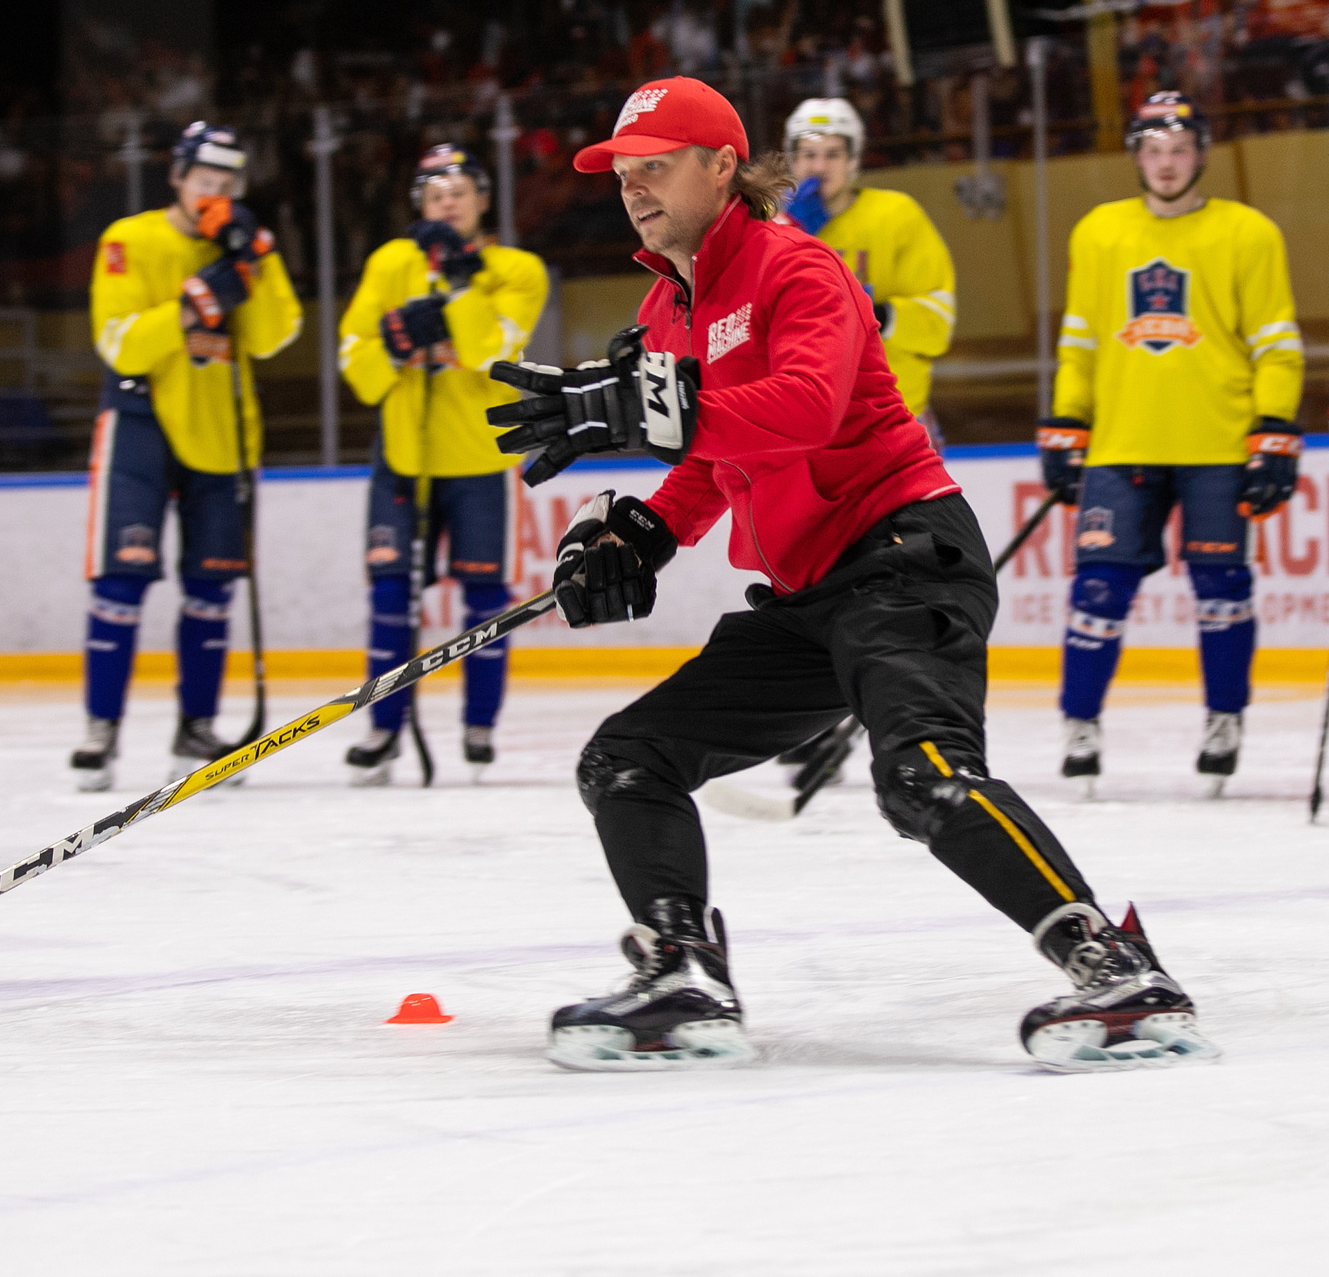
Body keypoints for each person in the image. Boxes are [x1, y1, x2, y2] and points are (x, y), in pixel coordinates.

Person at [487, 76, 1217, 1074]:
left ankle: (1118, 971)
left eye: (656, 165)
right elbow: (708, 461)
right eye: (622, 171)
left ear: (722, 168)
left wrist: (664, 417)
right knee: (628, 758)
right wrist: (641, 535)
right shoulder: (669, 306)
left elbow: (805, 409)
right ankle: (683, 975)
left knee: (921, 777)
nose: (634, 187)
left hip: (905, 557)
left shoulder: (797, 267)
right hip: (809, 596)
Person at [1038, 92, 1303, 793]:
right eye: (1152, 150)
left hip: (1216, 444)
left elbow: (1275, 343)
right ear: (1135, 156)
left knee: (1221, 588)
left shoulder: (1247, 232)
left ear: (1200, 154)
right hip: (1120, 446)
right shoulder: (1098, 231)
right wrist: (1066, 421)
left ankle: (1224, 718)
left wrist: (1272, 428)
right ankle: (1080, 721)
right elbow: (1080, 339)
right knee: (1097, 587)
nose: (1164, 163)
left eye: (1178, 150)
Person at [72, 123, 302, 791]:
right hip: (141, 422)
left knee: (212, 587)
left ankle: (195, 726)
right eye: (206, 179)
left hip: (222, 430)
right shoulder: (129, 238)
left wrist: (253, 260)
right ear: (177, 176)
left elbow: (271, 334)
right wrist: (195, 302)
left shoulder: (244, 244)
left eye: (229, 183)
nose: (217, 192)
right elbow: (120, 344)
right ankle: (101, 728)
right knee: (120, 580)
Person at [337, 144, 549, 780]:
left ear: (482, 200)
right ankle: (383, 730)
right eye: (434, 193)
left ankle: (479, 726)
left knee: (485, 597)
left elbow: (494, 349)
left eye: (459, 190)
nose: (447, 201)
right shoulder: (392, 262)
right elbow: (354, 353)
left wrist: (458, 283)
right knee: (390, 595)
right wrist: (398, 350)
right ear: (419, 207)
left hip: (480, 461)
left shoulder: (517, 269)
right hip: (403, 460)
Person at [781, 97, 956, 446]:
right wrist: (787, 230)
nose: (819, 166)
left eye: (833, 154)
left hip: (894, 419)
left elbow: (938, 323)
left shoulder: (896, 216)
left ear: (854, 160)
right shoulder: (767, 225)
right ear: (792, 161)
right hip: (806, 424)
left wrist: (875, 314)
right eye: (808, 155)